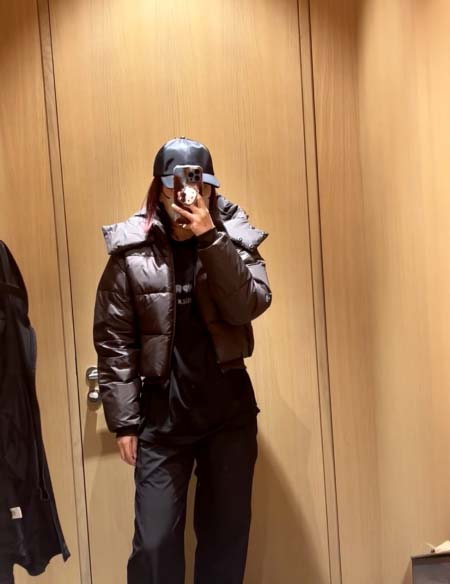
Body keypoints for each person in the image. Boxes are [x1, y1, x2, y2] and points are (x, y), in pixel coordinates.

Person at [93, 137, 272, 584]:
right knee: (153, 548)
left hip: (228, 418)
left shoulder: (235, 238)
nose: (186, 194)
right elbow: (115, 340)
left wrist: (210, 237)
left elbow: (248, 305)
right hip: (161, 421)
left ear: (211, 188)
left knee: (225, 542)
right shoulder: (131, 251)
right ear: (158, 189)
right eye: (175, 185)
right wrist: (124, 421)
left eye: (197, 184)